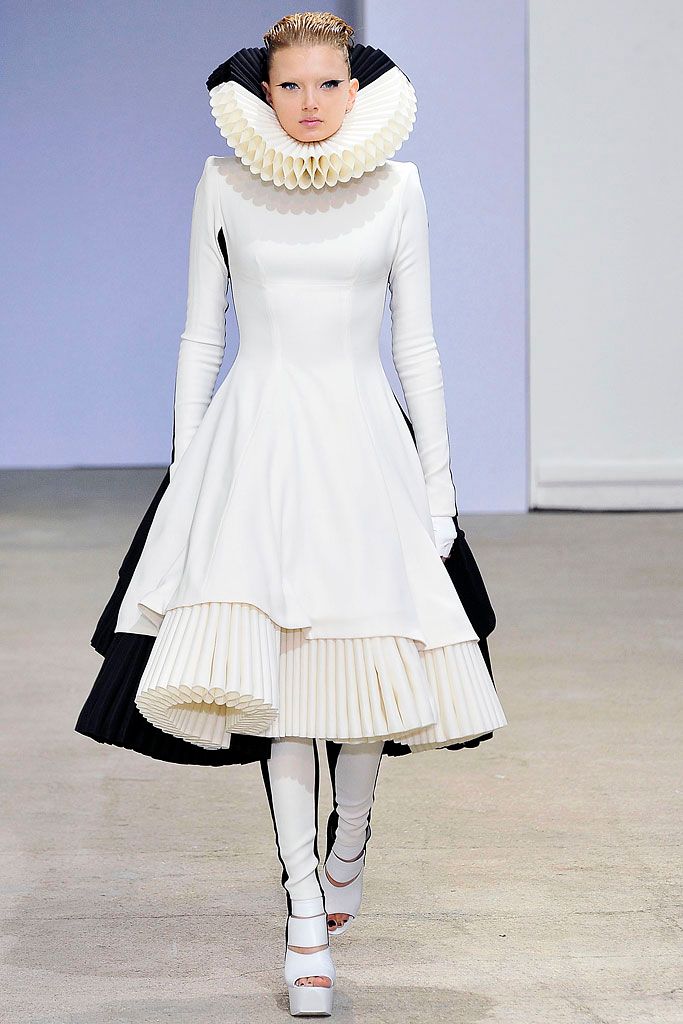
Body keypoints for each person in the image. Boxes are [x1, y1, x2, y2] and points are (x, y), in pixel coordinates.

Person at [75, 11, 508, 1017]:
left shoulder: (398, 187)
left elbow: (416, 344)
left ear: (356, 89)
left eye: (326, 84)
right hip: (257, 443)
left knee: (367, 665)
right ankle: (303, 916)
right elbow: (201, 334)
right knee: (280, 694)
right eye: (290, 86)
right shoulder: (223, 183)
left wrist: (438, 484)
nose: (309, 104)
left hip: (362, 443)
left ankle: (349, 832)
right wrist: (188, 468)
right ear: (263, 94)